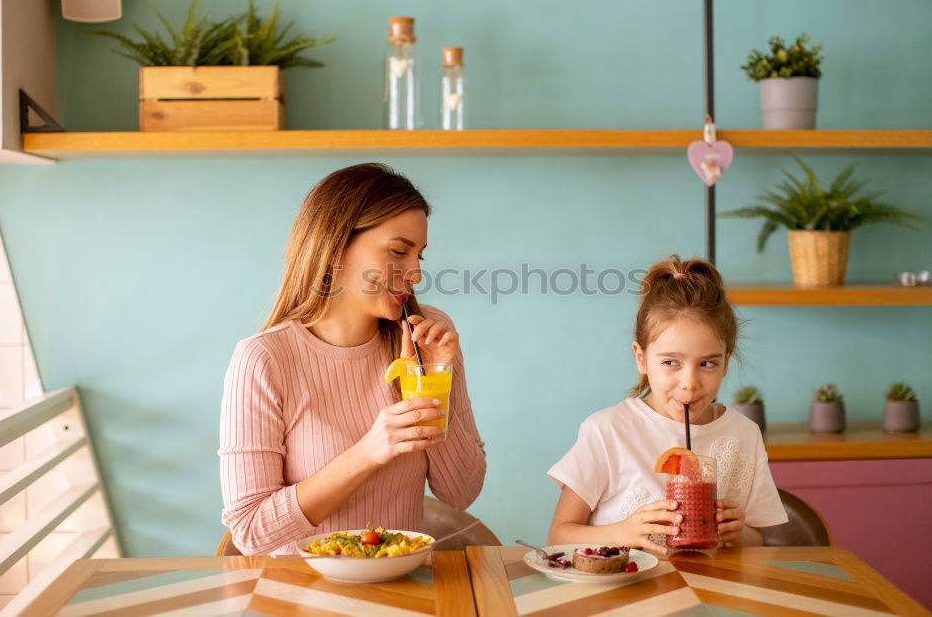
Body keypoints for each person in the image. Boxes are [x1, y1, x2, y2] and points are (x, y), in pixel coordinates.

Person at [219, 163, 486, 555]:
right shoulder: (264, 359)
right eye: (398, 251)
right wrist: (367, 453)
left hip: (402, 592)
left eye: (419, 257)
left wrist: (436, 380)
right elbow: (251, 532)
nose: (415, 274)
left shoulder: (430, 333)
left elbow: (460, 492)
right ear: (334, 246)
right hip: (297, 599)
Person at [547, 256, 786, 555]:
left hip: (712, 593)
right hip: (624, 595)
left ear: (726, 362)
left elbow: (758, 542)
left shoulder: (744, 435)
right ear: (641, 358)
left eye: (707, 363)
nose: (690, 382)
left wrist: (738, 533)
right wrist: (623, 531)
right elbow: (558, 535)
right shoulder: (607, 431)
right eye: (671, 362)